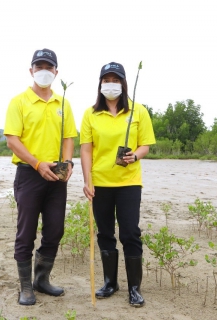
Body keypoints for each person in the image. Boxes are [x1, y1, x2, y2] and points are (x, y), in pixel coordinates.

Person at [4, 48, 77, 305]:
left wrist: (67, 162)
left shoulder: (63, 103)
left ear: (56, 72)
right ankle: (25, 287)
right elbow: (12, 140)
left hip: (57, 176)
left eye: (49, 67)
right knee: (26, 232)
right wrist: (36, 164)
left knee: (55, 229)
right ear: (31, 70)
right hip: (29, 174)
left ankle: (42, 280)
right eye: (39, 66)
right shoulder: (19, 102)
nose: (44, 71)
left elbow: (69, 138)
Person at [80, 62, 155, 307]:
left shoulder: (138, 111)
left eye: (116, 79)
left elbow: (145, 144)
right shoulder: (91, 114)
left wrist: (135, 155)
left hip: (129, 182)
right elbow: (86, 151)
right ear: (100, 84)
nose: (111, 84)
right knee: (105, 233)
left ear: (123, 83)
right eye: (106, 79)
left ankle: (134, 287)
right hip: (100, 183)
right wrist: (88, 181)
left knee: (130, 232)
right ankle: (110, 282)